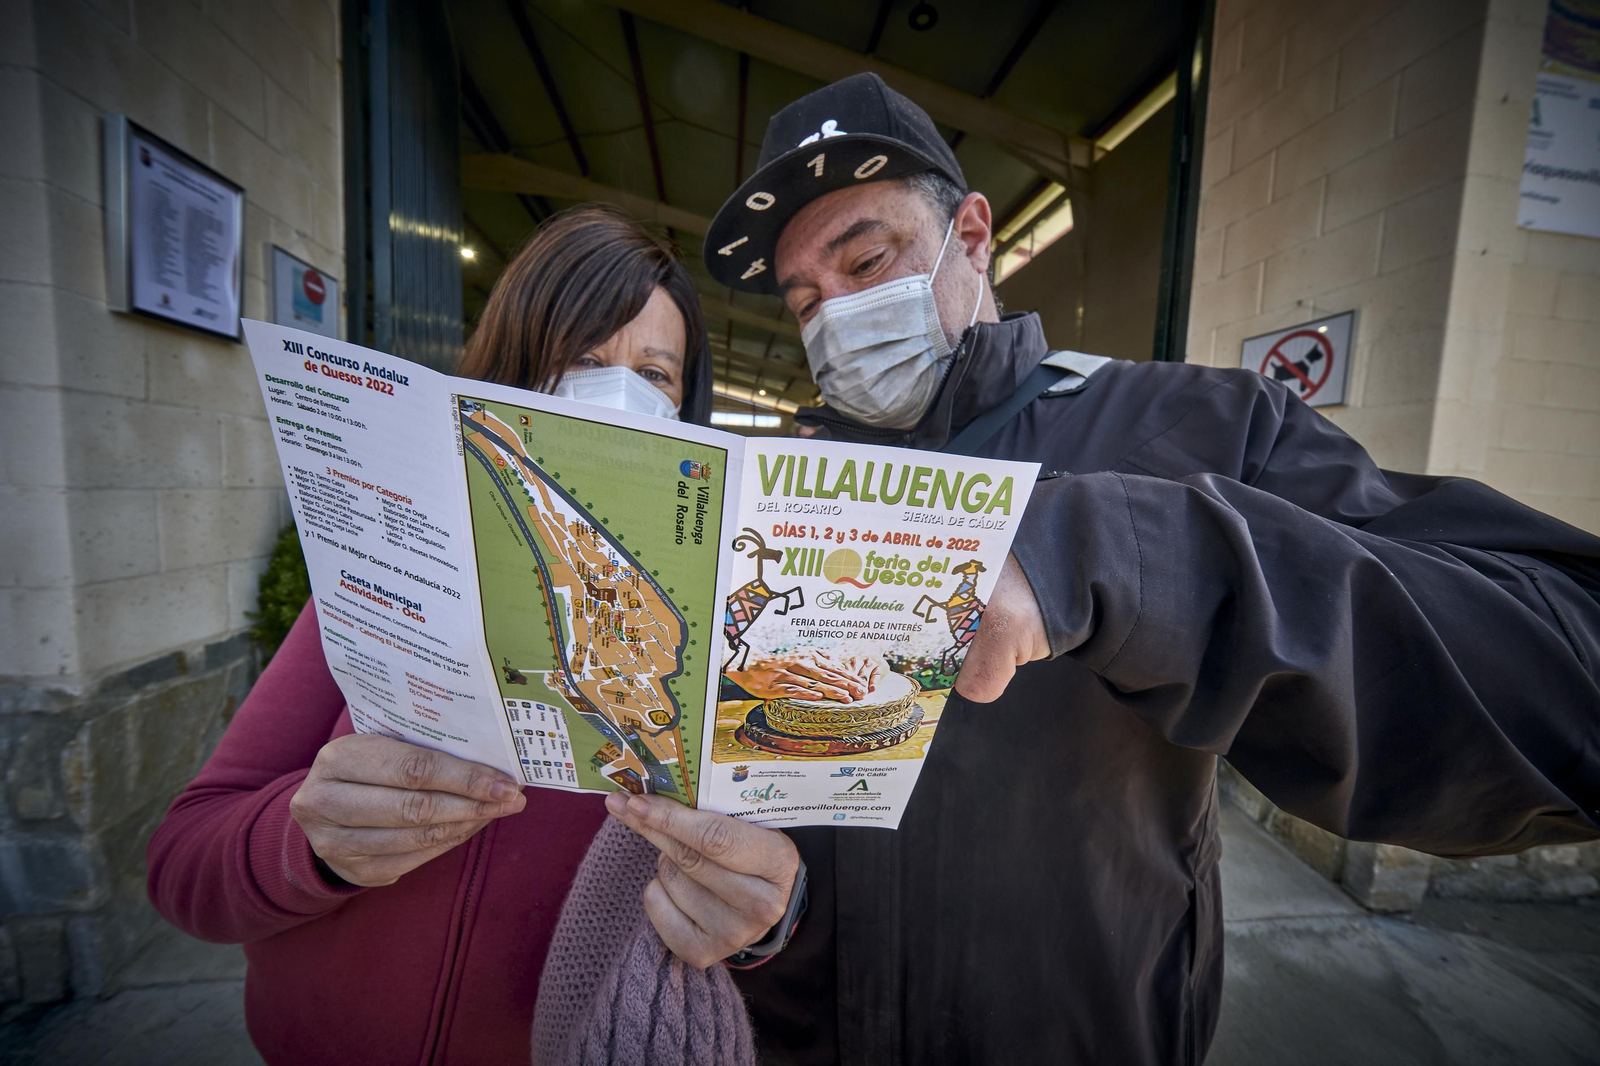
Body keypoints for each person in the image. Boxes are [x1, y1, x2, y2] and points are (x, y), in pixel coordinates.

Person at [686, 72, 1600, 1066]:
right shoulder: (778, 488)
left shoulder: (1191, 426)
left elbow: (1565, 684)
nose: (836, 318)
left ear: (976, 234)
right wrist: (761, 916)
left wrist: (1117, 553)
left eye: (865, 259)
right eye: (806, 297)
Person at [146, 205, 804, 1064]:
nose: (621, 391)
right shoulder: (374, 581)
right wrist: (309, 845)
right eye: (583, 358)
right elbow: (182, 867)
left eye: (656, 372)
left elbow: (758, 892)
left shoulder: (709, 644)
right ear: (514, 367)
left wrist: (761, 920)